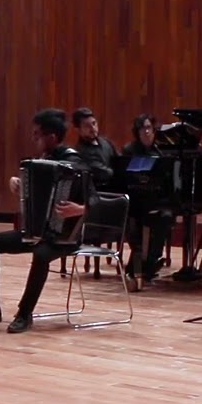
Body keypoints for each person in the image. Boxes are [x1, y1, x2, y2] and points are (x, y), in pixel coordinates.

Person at [0, 108, 91, 333]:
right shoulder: (41, 160)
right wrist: (19, 184)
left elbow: (97, 201)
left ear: (52, 137)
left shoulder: (75, 163)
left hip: (65, 236)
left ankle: (25, 313)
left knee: (41, 253)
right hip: (36, 231)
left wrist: (80, 209)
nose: (34, 138)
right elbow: (34, 194)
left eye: (37, 134)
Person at [122, 113, 174, 282]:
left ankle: (151, 260)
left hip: (155, 200)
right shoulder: (129, 150)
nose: (146, 132)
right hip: (135, 201)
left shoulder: (159, 151)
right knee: (136, 225)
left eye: (149, 128)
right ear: (137, 132)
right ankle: (139, 265)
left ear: (153, 130)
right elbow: (128, 179)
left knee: (167, 216)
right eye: (142, 128)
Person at [72, 107, 119, 189]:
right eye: (87, 126)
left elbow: (119, 161)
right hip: (101, 193)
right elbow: (104, 174)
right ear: (78, 130)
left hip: (116, 185)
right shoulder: (81, 152)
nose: (93, 128)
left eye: (94, 123)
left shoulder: (106, 142)